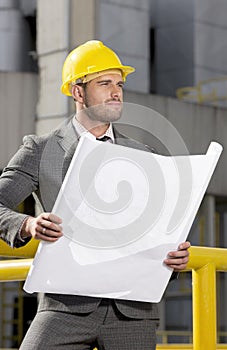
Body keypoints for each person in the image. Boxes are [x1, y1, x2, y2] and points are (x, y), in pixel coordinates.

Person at [0, 40, 190, 350]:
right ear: (78, 92)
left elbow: (161, 226)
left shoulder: (144, 155)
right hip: (66, 307)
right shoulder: (40, 150)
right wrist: (28, 226)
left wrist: (174, 254)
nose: (117, 91)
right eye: (105, 83)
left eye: (119, 83)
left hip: (132, 310)